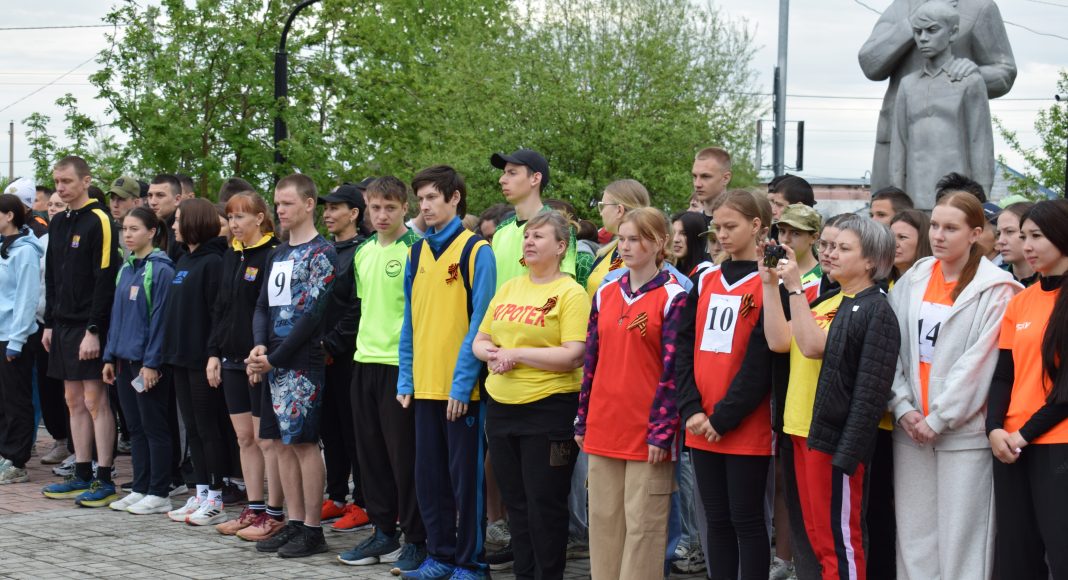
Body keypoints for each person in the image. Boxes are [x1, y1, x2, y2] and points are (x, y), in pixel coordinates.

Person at [888, 191, 1021, 579]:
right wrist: (903, 407)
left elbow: (979, 364)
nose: (938, 235)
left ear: (975, 234)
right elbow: (893, 349)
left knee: (963, 540)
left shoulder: (997, 289)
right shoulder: (914, 278)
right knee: (914, 538)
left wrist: (940, 417)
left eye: (950, 228)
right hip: (911, 429)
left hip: (964, 436)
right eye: (934, 226)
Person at [765, 215, 901, 580]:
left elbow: (814, 347)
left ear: (871, 260)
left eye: (843, 248)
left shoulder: (873, 307)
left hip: (831, 435)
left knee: (839, 541)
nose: (831, 254)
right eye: (829, 246)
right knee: (815, 535)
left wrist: (795, 289)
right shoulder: (830, 299)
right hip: (800, 428)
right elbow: (778, 340)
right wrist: (770, 285)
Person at [471, 210, 589, 579]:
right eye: (527, 236)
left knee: (544, 503)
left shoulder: (571, 293)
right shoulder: (510, 288)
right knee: (516, 504)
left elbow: (574, 354)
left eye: (539, 236)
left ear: (561, 246)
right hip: (503, 408)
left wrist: (517, 354)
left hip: (549, 410)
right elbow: (480, 340)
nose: (529, 242)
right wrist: (493, 354)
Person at [573, 208, 685, 580]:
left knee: (643, 530)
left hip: (647, 434)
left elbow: (674, 372)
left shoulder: (674, 296)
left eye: (635, 239)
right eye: (622, 238)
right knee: (604, 525)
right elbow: (591, 361)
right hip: (604, 426)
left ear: (659, 242)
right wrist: (582, 418)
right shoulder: (605, 292)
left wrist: (662, 431)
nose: (626, 246)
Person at [397, 165, 495, 579]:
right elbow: (410, 321)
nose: (424, 206)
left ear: (454, 198)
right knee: (429, 478)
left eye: (432, 197)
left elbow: (482, 323)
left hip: (462, 393)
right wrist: (406, 378)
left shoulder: (476, 251)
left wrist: (462, 384)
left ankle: (471, 563)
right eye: (420, 199)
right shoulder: (415, 253)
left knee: (465, 483)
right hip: (423, 387)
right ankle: (439, 556)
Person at [675, 190, 774, 580]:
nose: (722, 235)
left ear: (755, 225)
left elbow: (761, 360)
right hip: (702, 422)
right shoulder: (705, 278)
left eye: (731, 226)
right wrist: (691, 407)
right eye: (717, 227)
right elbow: (684, 345)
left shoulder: (769, 281)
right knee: (715, 519)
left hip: (743, 424)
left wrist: (724, 417)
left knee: (746, 519)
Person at [245, 174, 338, 558]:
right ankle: (294, 522)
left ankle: (313, 529)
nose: (279, 210)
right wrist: (260, 345)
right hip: (272, 362)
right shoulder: (278, 254)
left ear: (309, 204)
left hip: (301, 362)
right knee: (279, 443)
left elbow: (313, 314)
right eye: (277, 203)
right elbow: (262, 306)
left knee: (302, 443)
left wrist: (275, 358)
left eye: (287, 203)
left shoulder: (323, 253)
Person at [338, 176, 427, 573]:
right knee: (370, 456)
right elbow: (361, 307)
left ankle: (417, 539)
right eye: (375, 207)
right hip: (364, 362)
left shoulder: (417, 249)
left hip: (400, 366)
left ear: (405, 208)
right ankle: (384, 532)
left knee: (403, 458)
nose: (382, 215)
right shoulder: (363, 252)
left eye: (390, 207)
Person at [986, 199, 1068, 579]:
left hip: (1056, 444)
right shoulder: (1021, 301)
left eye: (1037, 236)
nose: (1027, 245)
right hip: (1011, 446)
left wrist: (1022, 435)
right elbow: (1004, 375)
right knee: (1016, 557)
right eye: (1024, 236)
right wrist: (994, 428)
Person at [40, 156, 121, 508]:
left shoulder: (100, 219)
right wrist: (49, 323)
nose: (60, 188)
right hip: (62, 324)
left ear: (85, 181)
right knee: (72, 400)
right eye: (57, 181)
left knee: (94, 400)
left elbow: (105, 276)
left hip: (88, 325)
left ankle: (105, 476)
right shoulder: (59, 221)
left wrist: (94, 329)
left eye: (67, 181)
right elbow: (52, 276)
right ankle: (82, 471)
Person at [205, 192, 284, 539]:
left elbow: (272, 311)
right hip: (231, 359)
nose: (234, 224)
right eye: (231, 217)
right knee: (244, 438)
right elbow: (220, 308)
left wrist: (260, 354)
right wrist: (213, 353)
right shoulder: (231, 255)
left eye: (241, 217)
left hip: (258, 361)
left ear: (260, 218)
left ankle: (274, 512)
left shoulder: (273, 254)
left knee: (267, 440)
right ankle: (253, 508)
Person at [99, 207, 175, 513]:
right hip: (123, 361)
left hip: (147, 364)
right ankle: (140, 487)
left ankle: (160, 491)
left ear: (152, 232)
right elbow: (116, 316)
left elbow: (162, 321)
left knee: (154, 426)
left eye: (134, 229)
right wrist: (109, 356)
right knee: (135, 427)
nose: (127, 235)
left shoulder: (161, 270)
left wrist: (152, 363)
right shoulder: (126, 267)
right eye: (125, 229)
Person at [159, 199, 230, 526]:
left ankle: (216, 497)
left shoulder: (214, 261)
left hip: (203, 360)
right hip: (180, 358)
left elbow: (218, 312)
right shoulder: (185, 259)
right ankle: (201, 493)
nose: (174, 226)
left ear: (194, 222)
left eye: (178, 220)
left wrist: (213, 353)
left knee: (207, 428)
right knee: (194, 431)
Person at [888, 1, 995, 209]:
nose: (923, 38)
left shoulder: (969, 81)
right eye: (918, 31)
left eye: (931, 30)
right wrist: (896, 199)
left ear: (952, 33)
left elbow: (980, 144)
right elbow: (898, 147)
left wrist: (982, 200)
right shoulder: (907, 85)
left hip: (957, 198)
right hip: (913, 197)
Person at [316, 181, 370, 531]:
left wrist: (331, 344)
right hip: (320, 357)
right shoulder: (323, 251)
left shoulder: (363, 251)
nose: (328, 213)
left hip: (349, 356)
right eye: (326, 207)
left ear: (353, 213)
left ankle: (363, 502)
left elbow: (357, 306)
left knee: (354, 432)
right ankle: (336, 496)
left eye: (335, 208)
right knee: (330, 429)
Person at [0, 193, 45, 484]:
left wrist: (16, 340)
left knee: (16, 398)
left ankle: (17, 460)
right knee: (3, 399)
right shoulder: (3, 247)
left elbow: (27, 298)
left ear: (9, 216)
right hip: (1, 333)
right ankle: (5, 452)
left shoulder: (26, 251)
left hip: (15, 336)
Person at [490, 148, 576, 288]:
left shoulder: (560, 227)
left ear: (535, 178)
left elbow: (562, 287)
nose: (502, 180)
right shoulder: (500, 229)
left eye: (512, 173)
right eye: (504, 173)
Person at [586, 180, 651, 295]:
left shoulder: (644, 257)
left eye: (602, 206)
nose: (601, 213)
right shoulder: (605, 252)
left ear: (619, 210)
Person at [775, 204, 823, 301]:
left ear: (814, 238)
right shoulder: (771, 269)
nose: (785, 239)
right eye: (782, 231)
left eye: (795, 233)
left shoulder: (823, 278)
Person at [995, 201, 1037, 285]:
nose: (1001, 241)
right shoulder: (993, 279)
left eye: (1009, 231)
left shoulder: (1053, 281)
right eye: (999, 234)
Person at [691, 147, 733, 227]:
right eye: (695, 176)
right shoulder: (688, 225)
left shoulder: (740, 223)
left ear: (725, 178)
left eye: (705, 176)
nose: (697, 184)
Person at [146, 174, 183, 261]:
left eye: (160, 195)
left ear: (177, 199)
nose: (152, 202)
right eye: (150, 195)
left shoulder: (184, 232)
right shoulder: (149, 226)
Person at [889, 209, 932, 282]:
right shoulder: (881, 282)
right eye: (890, 237)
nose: (893, 244)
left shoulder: (933, 282)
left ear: (922, 241)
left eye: (902, 237)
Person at [671, 211, 709, 278]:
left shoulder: (707, 273)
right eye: (673, 233)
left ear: (697, 237)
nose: (675, 239)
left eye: (684, 233)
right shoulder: (669, 269)